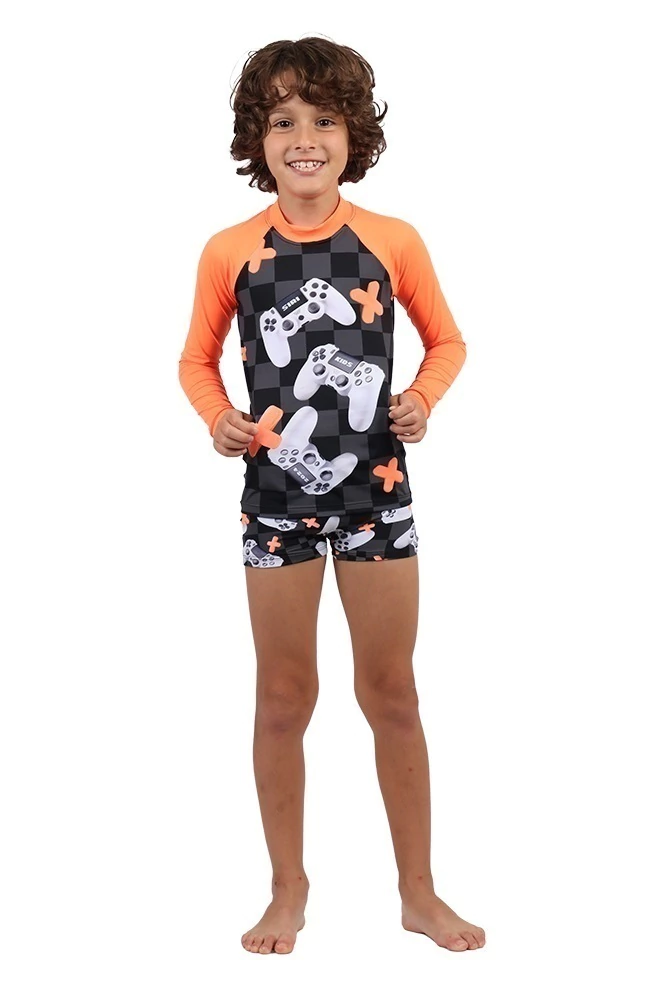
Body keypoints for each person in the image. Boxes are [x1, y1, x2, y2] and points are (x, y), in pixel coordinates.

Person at [179, 37, 485, 956]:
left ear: (355, 135)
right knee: (282, 696)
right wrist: (218, 418)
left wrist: (421, 400)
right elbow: (195, 360)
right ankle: (288, 889)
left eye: (323, 119)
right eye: (282, 122)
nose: (303, 139)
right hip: (275, 494)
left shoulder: (391, 241)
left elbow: (448, 342)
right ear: (257, 138)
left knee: (392, 692)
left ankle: (418, 893)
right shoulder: (231, 251)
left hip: (376, 494)